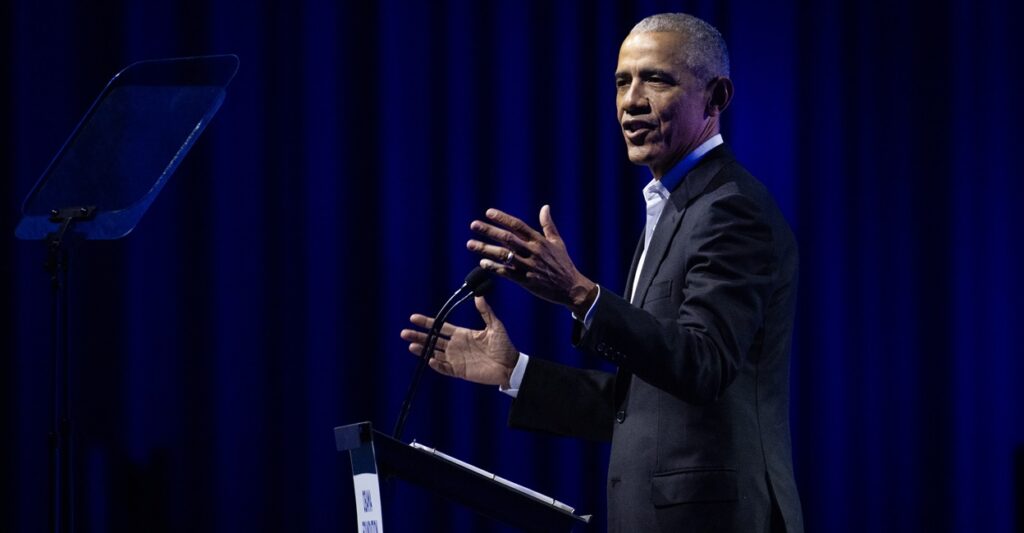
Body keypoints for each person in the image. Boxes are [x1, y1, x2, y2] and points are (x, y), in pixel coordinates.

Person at [401, 12, 803, 533]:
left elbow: (703, 366)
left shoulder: (732, 209)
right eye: (621, 81)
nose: (631, 101)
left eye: (656, 79)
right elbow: (643, 407)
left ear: (716, 97)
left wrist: (580, 294)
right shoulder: (676, 208)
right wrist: (514, 372)